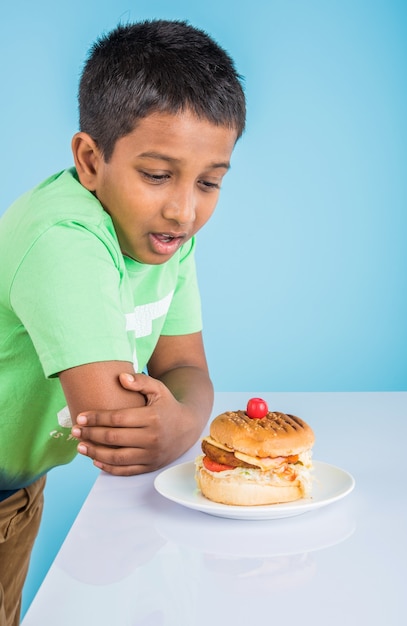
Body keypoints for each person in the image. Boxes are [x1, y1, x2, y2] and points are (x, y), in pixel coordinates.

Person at [0, 19, 246, 625]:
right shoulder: (64, 239)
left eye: (209, 182)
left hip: (17, 488)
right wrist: (181, 421)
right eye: (157, 175)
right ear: (90, 158)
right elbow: (116, 430)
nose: (184, 209)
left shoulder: (165, 237)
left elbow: (186, 369)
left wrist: (182, 419)